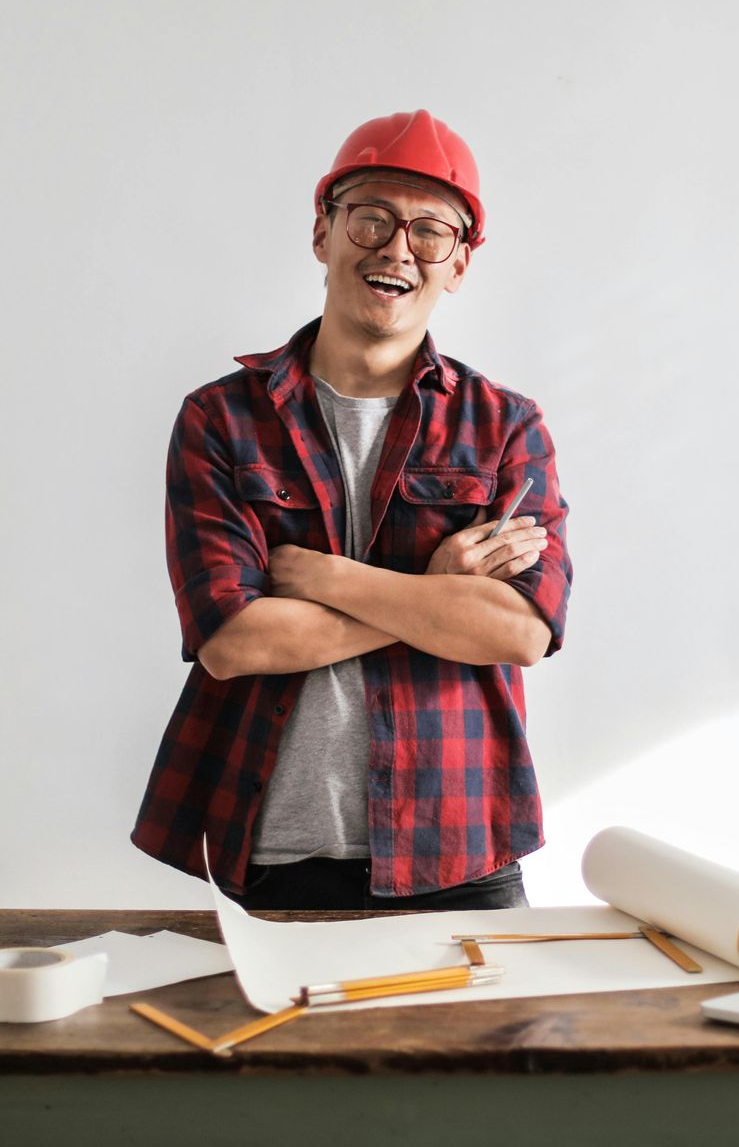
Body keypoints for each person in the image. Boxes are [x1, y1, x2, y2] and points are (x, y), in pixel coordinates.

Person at [130, 110, 573, 912]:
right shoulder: (221, 420)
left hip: (462, 855)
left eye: (432, 232)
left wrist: (327, 577)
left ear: (461, 263)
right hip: (273, 856)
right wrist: (438, 590)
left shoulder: (507, 426)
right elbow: (233, 642)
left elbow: (521, 633)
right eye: (371, 217)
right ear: (322, 233)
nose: (398, 249)